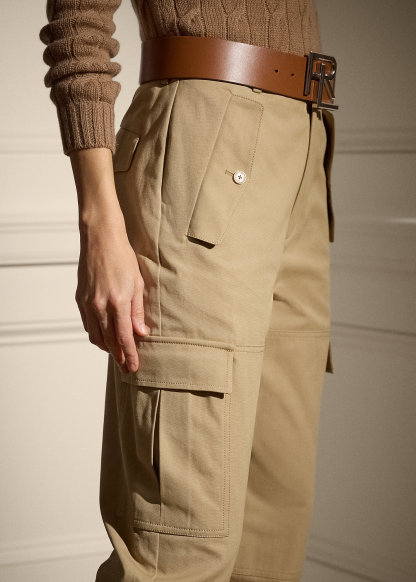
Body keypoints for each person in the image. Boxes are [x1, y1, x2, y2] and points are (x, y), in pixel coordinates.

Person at [39, 2, 337, 581]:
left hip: (307, 140)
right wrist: (99, 223)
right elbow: (79, 20)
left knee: (271, 539)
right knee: (178, 548)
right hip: (207, 135)